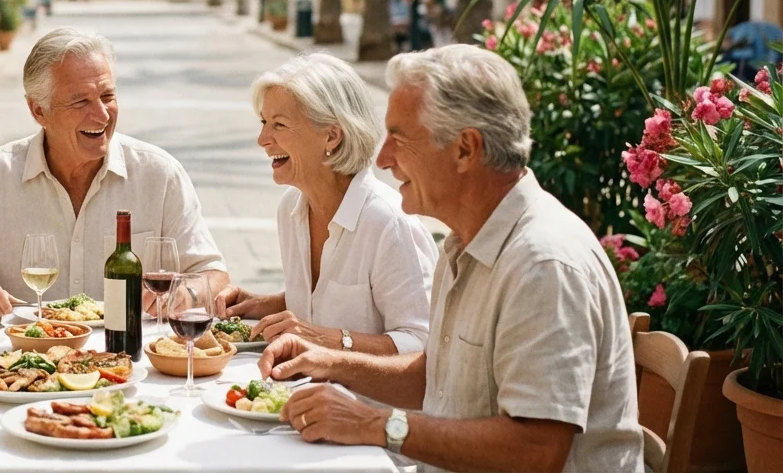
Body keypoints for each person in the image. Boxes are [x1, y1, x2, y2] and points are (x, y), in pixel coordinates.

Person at [258, 45, 642, 473]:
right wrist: (329, 361)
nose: (383, 159)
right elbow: (432, 379)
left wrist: (374, 424)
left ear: (464, 149)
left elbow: (536, 451)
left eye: (400, 138)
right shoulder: (465, 244)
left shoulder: (542, 264)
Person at [0, 28, 229, 316]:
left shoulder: (160, 175)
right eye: (81, 101)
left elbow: (213, 274)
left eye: (107, 96)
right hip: (25, 362)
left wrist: (186, 295)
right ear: (38, 111)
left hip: (133, 360)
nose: (102, 114)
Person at [214, 53, 437, 355]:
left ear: (331, 136)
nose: (262, 139)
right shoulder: (291, 208)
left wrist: (321, 339)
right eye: (264, 122)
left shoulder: (388, 222)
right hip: (300, 391)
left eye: (278, 125)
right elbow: (327, 306)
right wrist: (261, 304)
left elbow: (421, 343)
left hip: (365, 402)